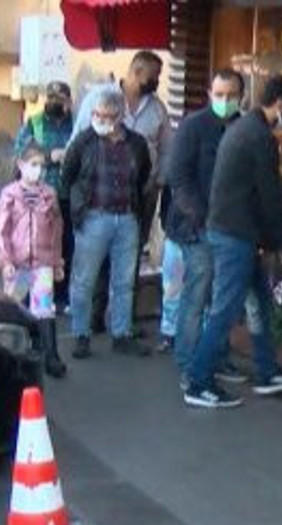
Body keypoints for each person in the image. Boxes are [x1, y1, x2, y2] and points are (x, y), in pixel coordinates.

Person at [182, 76, 282, 408]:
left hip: (234, 231)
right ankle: (198, 380)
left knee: (259, 303)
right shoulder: (258, 136)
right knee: (226, 309)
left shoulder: (243, 129)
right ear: (280, 102)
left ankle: (267, 369)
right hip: (236, 235)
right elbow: (269, 196)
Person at [165, 68, 256, 389]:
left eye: (231, 95)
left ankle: (217, 357)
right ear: (209, 93)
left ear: (241, 96)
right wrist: (201, 218)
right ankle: (189, 359)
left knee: (223, 300)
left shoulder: (244, 128)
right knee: (197, 294)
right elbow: (179, 177)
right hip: (197, 226)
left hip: (230, 227)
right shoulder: (194, 126)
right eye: (219, 94)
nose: (224, 100)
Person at [75, 51, 171, 335]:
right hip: (98, 197)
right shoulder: (99, 98)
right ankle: (94, 317)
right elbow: (78, 142)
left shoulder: (157, 109)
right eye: (154, 76)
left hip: (139, 196)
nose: (157, 81)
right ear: (137, 72)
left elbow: (166, 149)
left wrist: (158, 180)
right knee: (95, 260)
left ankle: (122, 323)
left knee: (128, 259)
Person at [59, 88, 152, 359]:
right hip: (92, 217)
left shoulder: (136, 144)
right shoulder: (84, 142)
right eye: (97, 114)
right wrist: (77, 212)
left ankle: (121, 333)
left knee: (124, 281)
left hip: (126, 217)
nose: (101, 120)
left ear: (120, 116)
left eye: (107, 115)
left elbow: (143, 176)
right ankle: (81, 334)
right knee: (83, 280)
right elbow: (68, 178)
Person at [0, 143, 66, 378]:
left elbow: (57, 229)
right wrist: (5, 260)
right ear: (21, 165)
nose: (38, 171)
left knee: (44, 309)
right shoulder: (10, 194)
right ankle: (11, 356)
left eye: (42, 166)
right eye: (33, 165)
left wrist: (57, 262)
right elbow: (3, 231)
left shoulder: (49, 194)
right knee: (13, 308)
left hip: (42, 262)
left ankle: (50, 356)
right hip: (17, 264)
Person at [14, 81, 75, 307]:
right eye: (52, 99)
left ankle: (62, 296)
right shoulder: (35, 122)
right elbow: (22, 151)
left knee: (66, 247)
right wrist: (50, 156)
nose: (56, 103)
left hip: (67, 196)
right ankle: (35, 297)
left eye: (60, 99)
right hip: (39, 196)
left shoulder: (75, 122)